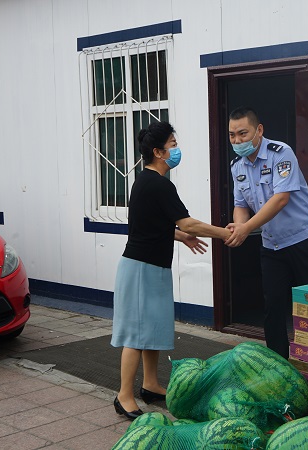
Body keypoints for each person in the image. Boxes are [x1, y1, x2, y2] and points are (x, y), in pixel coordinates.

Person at [111, 121, 231, 420]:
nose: (177, 149)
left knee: (152, 329)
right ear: (158, 152)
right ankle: (123, 395)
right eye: (173, 145)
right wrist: (223, 233)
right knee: (137, 334)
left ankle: (150, 385)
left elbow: (152, 224)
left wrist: (179, 236)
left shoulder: (146, 181)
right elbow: (186, 221)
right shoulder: (157, 183)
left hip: (152, 267)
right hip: (140, 269)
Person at [225, 107, 308, 358]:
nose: (237, 141)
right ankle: (278, 364)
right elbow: (241, 205)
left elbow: (280, 199)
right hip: (272, 246)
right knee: (273, 308)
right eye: (231, 135)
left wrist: (247, 228)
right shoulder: (237, 167)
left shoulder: (280, 154)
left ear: (259, 130)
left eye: (242, 133)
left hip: (304, 240)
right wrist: (239, 226)